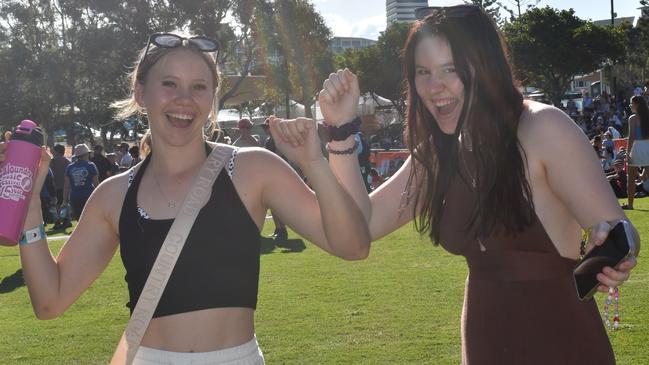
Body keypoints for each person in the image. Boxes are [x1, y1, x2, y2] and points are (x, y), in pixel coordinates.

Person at [275, 6, 638, 364]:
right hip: (484, 342)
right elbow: (364, 224)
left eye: (450, 69)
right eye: (423, 72)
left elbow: (618, 229)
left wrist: (619, 247)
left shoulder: (543, 128)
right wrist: (340, 132)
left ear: (484, 66)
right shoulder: (437, 153)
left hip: (561, 343)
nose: (435, 87)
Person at [0, 31, 369, 365]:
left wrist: (314, 162)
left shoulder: (253, 170)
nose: (184, 100)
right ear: (140, 93)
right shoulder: (113, 196)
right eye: (169, 84)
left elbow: (353, 246)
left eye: (198, 87)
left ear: (212, 98)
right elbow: (50, 302)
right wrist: (30, 201)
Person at [623, 95, 649, 209]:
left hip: (637, 147)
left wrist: (628, 153)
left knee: (631, 178)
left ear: (636, 105)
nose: (630, 106)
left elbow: (631, 136)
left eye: (631, 104)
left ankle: (630, 205)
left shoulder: (633, 118)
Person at [63, 143, 99, 220]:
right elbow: (96, 183)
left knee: (79, 219)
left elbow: (66, 186)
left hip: (75, 197)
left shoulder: (70, 167)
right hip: (89, 196)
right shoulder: (91, 165)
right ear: (86, 154)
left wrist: (64, 200)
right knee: (90, 218)